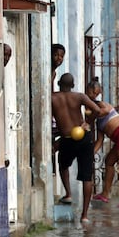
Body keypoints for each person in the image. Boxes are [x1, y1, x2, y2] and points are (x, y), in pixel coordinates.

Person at [50, 73, 104, 224]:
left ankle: (68, 193)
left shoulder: (52, 98)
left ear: (59, 83)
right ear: (73, 85)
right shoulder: (79, 96)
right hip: (83, 136)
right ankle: (85, 215)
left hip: (67, 139)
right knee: (87, 176)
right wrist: (87, 122)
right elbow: (98, 111)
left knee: (63, 165)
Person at [86, 80, 119, 210]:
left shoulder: (103, 105)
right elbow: (99, 140)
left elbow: (103, 111)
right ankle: (105, 194)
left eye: (95, 93)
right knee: (109, 161)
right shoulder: (98, 121)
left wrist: (91, 115)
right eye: (91, 93)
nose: (93, 95)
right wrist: (91, 154)